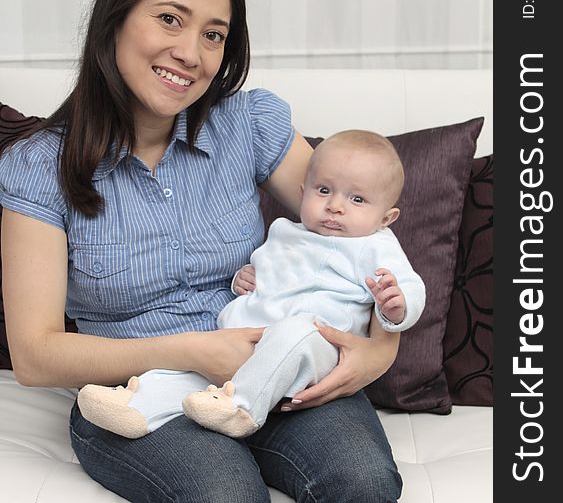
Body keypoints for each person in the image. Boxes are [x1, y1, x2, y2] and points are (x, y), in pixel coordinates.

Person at [0, 0, 403, 503]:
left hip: (271, 372)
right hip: (139, 394)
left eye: (213, 35)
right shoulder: (39, 167)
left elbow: (359, 235)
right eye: (170, 19)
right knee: (226, 495)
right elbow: (36, 356)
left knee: (363, 482)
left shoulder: (249, 124)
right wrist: (189, 350)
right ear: (116, 19)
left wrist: (382, 347)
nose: (191, 53)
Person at [77, 129, 425, 440]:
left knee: (297, 332)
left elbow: (409, 287)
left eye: (357, 200)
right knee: (198, 373)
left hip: (317, 345)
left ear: (386, 217)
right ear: (303, 192)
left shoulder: (376, 245)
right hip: (252, 337)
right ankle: (137, 406)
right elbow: (264, 271)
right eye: (324, 190)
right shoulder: (286, 231)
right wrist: (244, 278)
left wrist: (397, 306)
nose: (335, 206)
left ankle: (241, 409)